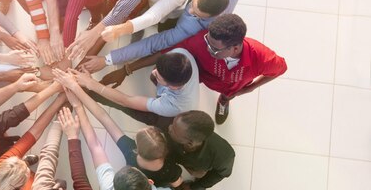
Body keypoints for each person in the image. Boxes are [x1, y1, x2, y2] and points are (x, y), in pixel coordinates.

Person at [104, 14, 288, 124]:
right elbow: (165, 54)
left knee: (227, 97)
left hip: (232, 88)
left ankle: (223, 102)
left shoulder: (262, 57)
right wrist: (128, 69)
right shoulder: (202, 40)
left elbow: (281, 69)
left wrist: (251, 88)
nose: (208, 48)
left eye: (215, 49)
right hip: (203, 77)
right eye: (208, 41)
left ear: (235, 48)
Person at [81, 0, 241, 74]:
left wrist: (107, 60)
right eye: (192, 4)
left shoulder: (193, 27)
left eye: (197, 14)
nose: (190, 11)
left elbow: (152, 43)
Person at [53, 68, 183, 189]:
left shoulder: (130, 152)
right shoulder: (170, 169)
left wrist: (75, 88)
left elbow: (103, 117)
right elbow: (178, 182)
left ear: (137, 150)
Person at [71, 49, 200, 131]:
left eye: (158, 76)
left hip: (170, 115)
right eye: (157, 69)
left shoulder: (172, 106)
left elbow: (127, 101)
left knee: (133, 109)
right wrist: (125, 70)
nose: (154, 71)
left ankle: (92, 94)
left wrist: (91, 84)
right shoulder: (182, 55)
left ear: (173, 87)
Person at [166, 111, 235, 190]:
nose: (169, 128)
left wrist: (195, 187)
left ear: (189, 143)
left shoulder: (224, 155)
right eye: (173, 123)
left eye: (174, 131)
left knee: (199, 174)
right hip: (175, 155)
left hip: (197, 166)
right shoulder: (177, 128)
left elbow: (220, 174)